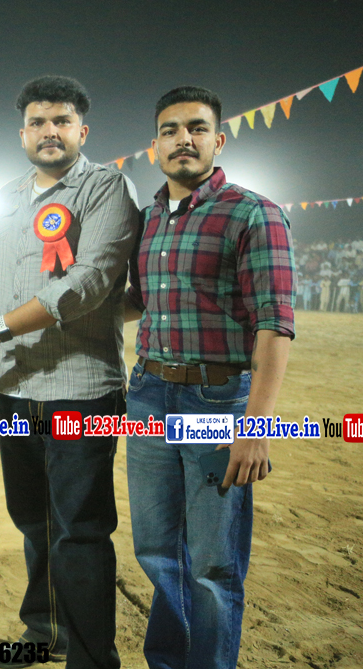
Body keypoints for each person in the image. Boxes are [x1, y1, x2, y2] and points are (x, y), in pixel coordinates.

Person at [0, 76, 138, 669]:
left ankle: (92, 658)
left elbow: (89, 281)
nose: (50, 131)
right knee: (32, 517)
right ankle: (45, 631)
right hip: (16, 386)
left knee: (80, 526)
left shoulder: (106, 188)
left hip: (81, 387)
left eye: (62, 121)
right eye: (38, 122)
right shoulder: (7, 196)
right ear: (22, 133)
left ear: (82, 131)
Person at [123, 86, 295, 669]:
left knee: (213, 563)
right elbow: (140, 301)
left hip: (216, 402)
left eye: (196, 128)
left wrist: (256, 426)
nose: (183, 139)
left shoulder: (253, 213)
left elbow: (275, 325)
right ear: (155, 145)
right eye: (170, 130)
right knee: (155, 549)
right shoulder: (148, 218)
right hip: (148, 394)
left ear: (218, 141)